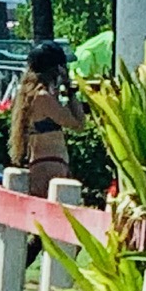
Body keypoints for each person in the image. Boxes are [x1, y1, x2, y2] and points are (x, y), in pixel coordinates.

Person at [9, 42, 85, 198]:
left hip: (43, 163)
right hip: (51, 164)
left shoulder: (31, 95)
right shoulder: (43, 98)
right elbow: (78, 123)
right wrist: (69, 89)